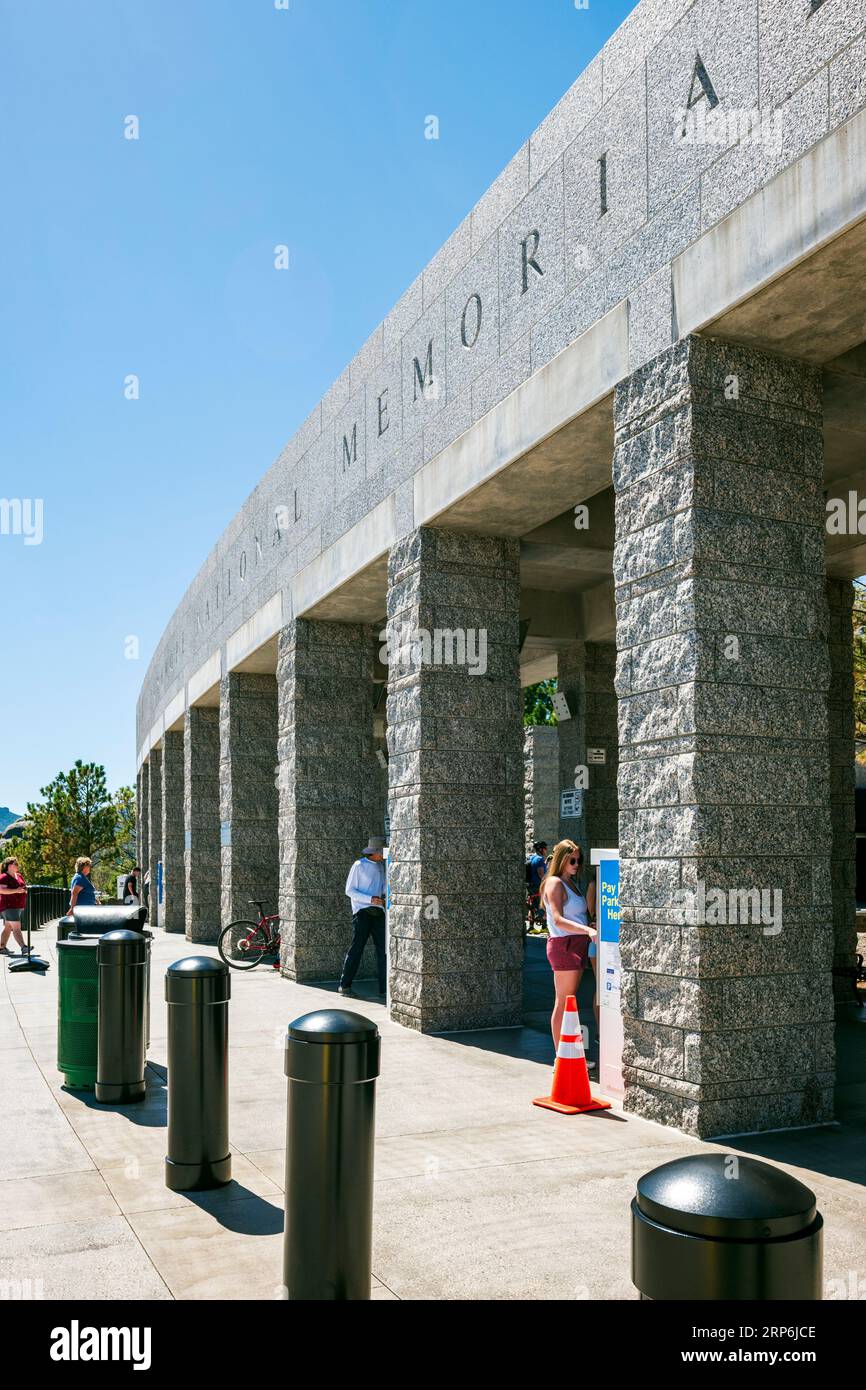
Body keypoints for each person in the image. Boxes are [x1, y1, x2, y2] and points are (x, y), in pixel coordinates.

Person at [539, 839, 597, 1050]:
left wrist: (587, 925)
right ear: (561, 859)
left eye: (579, 861)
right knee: (563, 1002)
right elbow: (557, 919)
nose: (576, 864)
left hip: (576, 943)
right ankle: (560, 1056)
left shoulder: (571, 883)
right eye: (572, 860)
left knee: (569, 1001)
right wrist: (588, 930)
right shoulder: (554, 883)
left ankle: (569, 1054)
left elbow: (576, 916)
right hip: (565, 944)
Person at [339, 835, 387, 1000]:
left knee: (383, 951)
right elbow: (349, 891)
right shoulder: (359, 865)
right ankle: (345, 986)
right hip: (362, 912)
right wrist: (370, 899)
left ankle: (384, 989)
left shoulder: (382, 866)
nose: (385, 853)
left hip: (379, 912)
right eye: (383, 850)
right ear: (375, 852)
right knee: (356, 949)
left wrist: (384, 895)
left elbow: (382, 887)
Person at [0, 856, 28, 956]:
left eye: (17, 863)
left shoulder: (19, 875)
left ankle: (1, 947)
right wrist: (16, 890)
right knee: (16, 927)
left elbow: (23, 886)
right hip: (9, 906)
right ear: (9, 866)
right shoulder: (4, 877)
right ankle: (24, 947)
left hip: (18, 906)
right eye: (15, 864)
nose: (17, 865)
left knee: (8, 927)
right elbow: (1, 890)